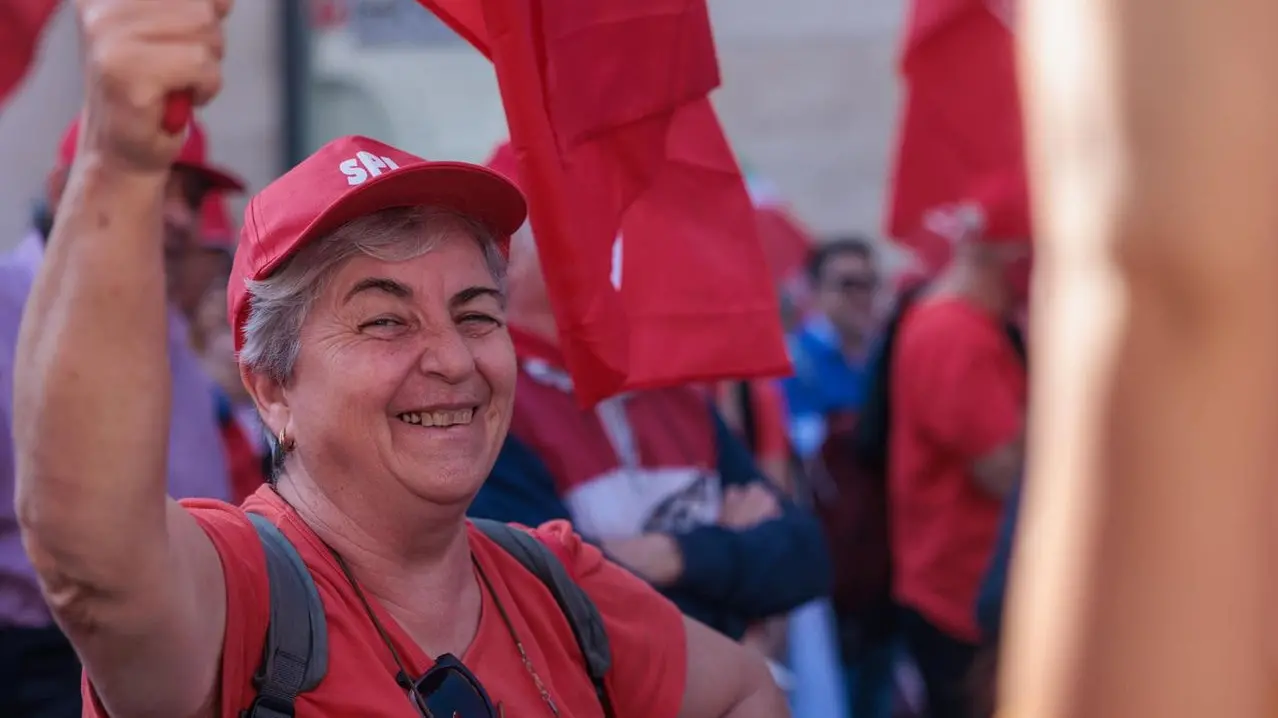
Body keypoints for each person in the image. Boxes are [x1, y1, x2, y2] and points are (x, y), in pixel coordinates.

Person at [13, 3, 789, 716]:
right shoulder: (239, 594)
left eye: (476, 313)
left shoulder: (560, 586)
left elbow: (746, 691)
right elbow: (94, 572)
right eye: (385, 320)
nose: (453, 359)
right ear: (272, 388)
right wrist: (120, 159)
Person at [469, 224, 831, 645]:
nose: (608, 250)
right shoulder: (495, 404)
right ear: (506, 266)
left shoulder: (676, 394)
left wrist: (669, 555)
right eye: (569, 228)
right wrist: (730, 578)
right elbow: (551, 591)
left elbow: (805, 558)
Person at [0, 110, 241, 718]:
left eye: (191, 196)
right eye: (154, 183)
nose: (183, 218)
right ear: (63, 192)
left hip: (178, 656)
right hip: (39, 661)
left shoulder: (158, 319)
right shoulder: (6, 306)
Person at [886, 207, 1027, 718]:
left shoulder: (969, 328)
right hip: (962, 598)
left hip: (965, 589)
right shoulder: (954, 334)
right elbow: (1003, 475)